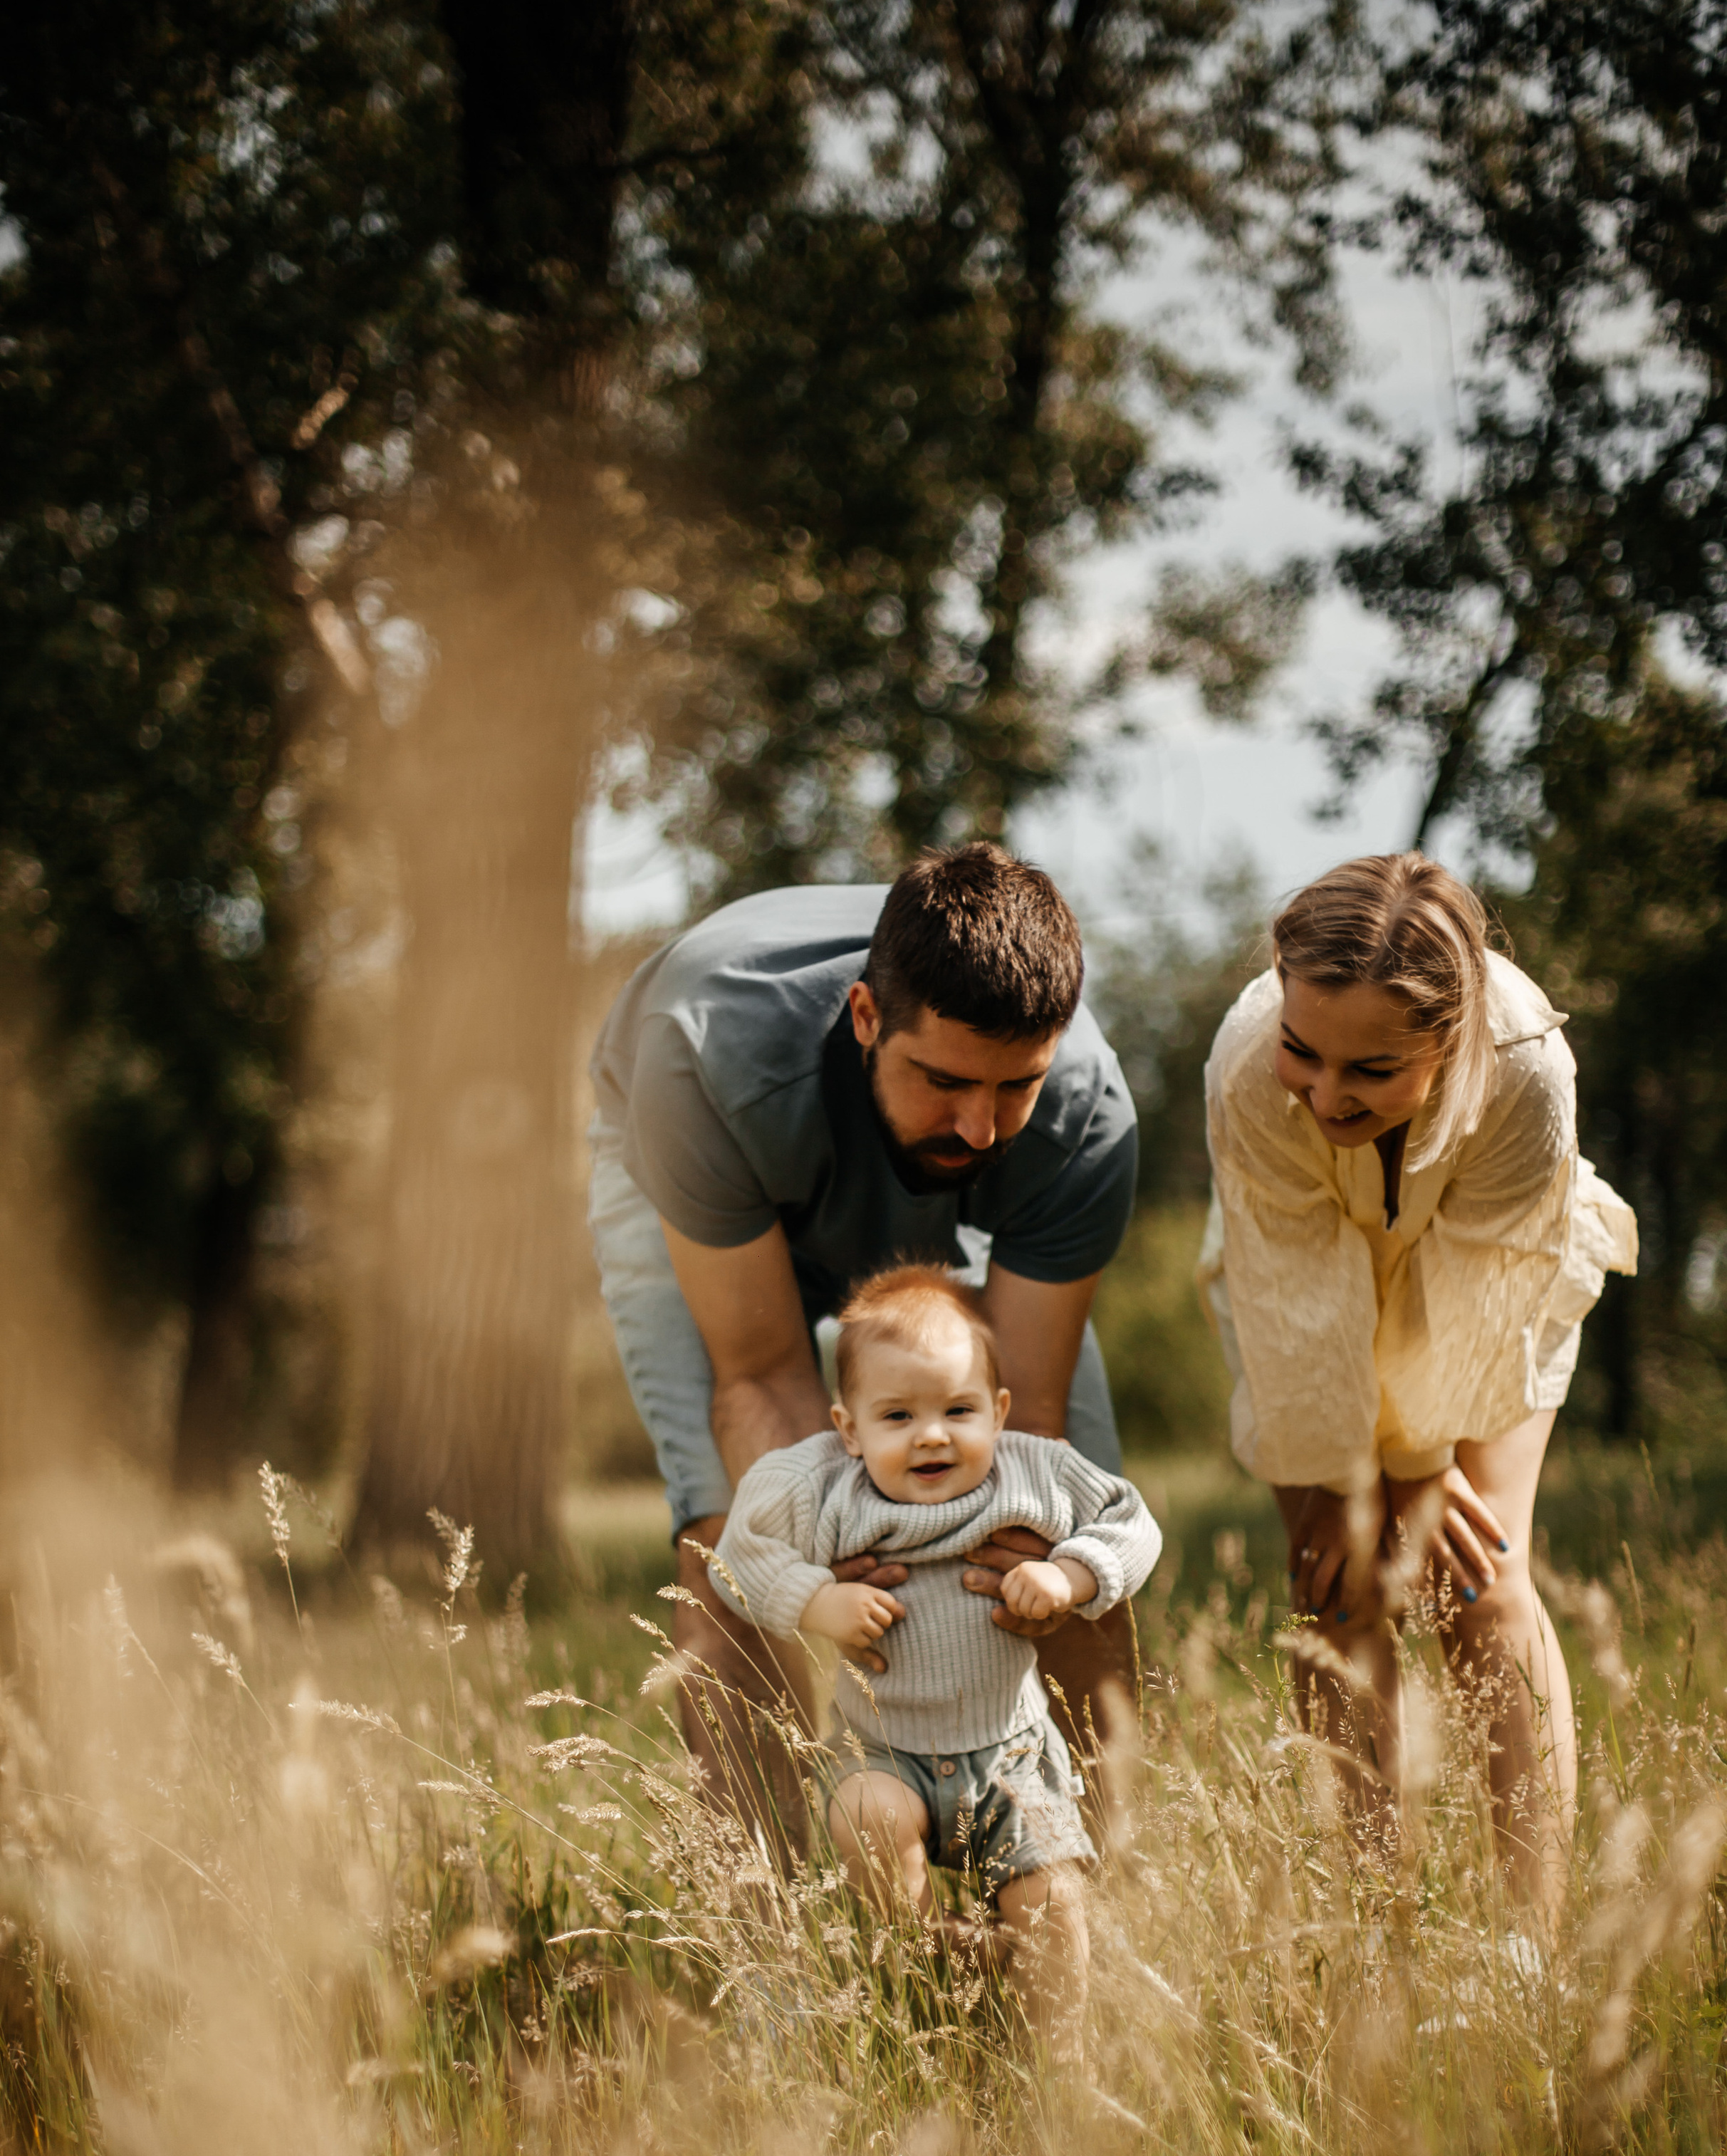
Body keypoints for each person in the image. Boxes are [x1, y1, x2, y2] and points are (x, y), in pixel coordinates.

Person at [586, 843, 1142, 1850]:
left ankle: (1088, 1875)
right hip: (705, 1163)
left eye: (1015, 1085)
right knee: (736, 1543)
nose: (980, 1129)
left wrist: (1008, 1567)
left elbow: (1032, 1433)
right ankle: (778, 1928)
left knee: (1062, 1531)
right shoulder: (703, 1050)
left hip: (927, 1205)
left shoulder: (1081, 1118)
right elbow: (760, 1377)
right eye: (946, 1081)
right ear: (865, 1017)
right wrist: (835, 1581)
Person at [1199, 850, 1637, 1916]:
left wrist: (1422, 1470)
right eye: (1308, 1053)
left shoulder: (1526, 1067)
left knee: (1477, 1582)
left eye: (1372, 1070)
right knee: (1339, 1584)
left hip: (1492, 1286)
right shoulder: (1249, 1066)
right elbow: (1299, 1289)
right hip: (1301, 1296)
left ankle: (1529, 1940)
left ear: (1450, 1039)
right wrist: (1363, 1483)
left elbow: (1487, 1286)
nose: (1326, 1093)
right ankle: (1372, 1923)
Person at [709, 1266, 1162, 2056]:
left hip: (1014, 1753)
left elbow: (1131, 1520)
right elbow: (739, 1551)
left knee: (1053, 1903)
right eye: (898, 1416)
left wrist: (1069, 1573)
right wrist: (816, 1600)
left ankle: (1060, 2065)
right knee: (868, 1819)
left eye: (958, 1409)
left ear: (999, 1411)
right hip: (882, 1752)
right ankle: (935, 1967)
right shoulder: (824, 1489)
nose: (931, 1434)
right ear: (849, 1431)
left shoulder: (1032, 1471)